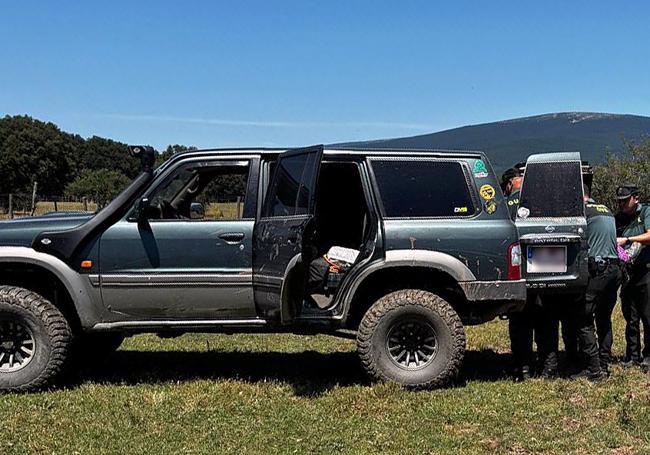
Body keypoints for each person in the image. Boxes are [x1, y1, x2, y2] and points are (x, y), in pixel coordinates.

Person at [569, 185, 622, 380]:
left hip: (598, 270)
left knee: (583, 320)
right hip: (615, 270)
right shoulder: (605, 209)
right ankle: (604, 365)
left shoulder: (583, 213)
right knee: (604, 319)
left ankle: (593, 369)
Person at [503, 166, 536, 380]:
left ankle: (522, 368)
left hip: (519, 270)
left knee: (520, 322)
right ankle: (546, 365)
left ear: (508, 184)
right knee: (544, 321)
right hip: (544, 268)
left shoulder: (505, 206)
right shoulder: (540, 202)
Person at [615, 184, 650, 368]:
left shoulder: (645, 212)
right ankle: (632, 355)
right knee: (631, 316)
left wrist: (628, 240)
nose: (622, 204)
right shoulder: (618, 219)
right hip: (627, 272)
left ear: (635, 198)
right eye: (619, 201)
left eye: (625, 200)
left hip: (645, 270)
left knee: (647, 315)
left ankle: (648, 354)